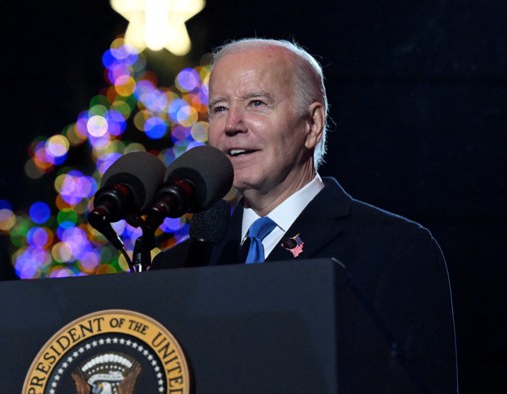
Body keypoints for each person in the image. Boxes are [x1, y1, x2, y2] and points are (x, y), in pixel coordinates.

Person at [152, 38, 457, 393]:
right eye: (219, 108)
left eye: (256, 103)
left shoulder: (394, 250)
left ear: (312, 124)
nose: (232, 124)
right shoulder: (179, 267)